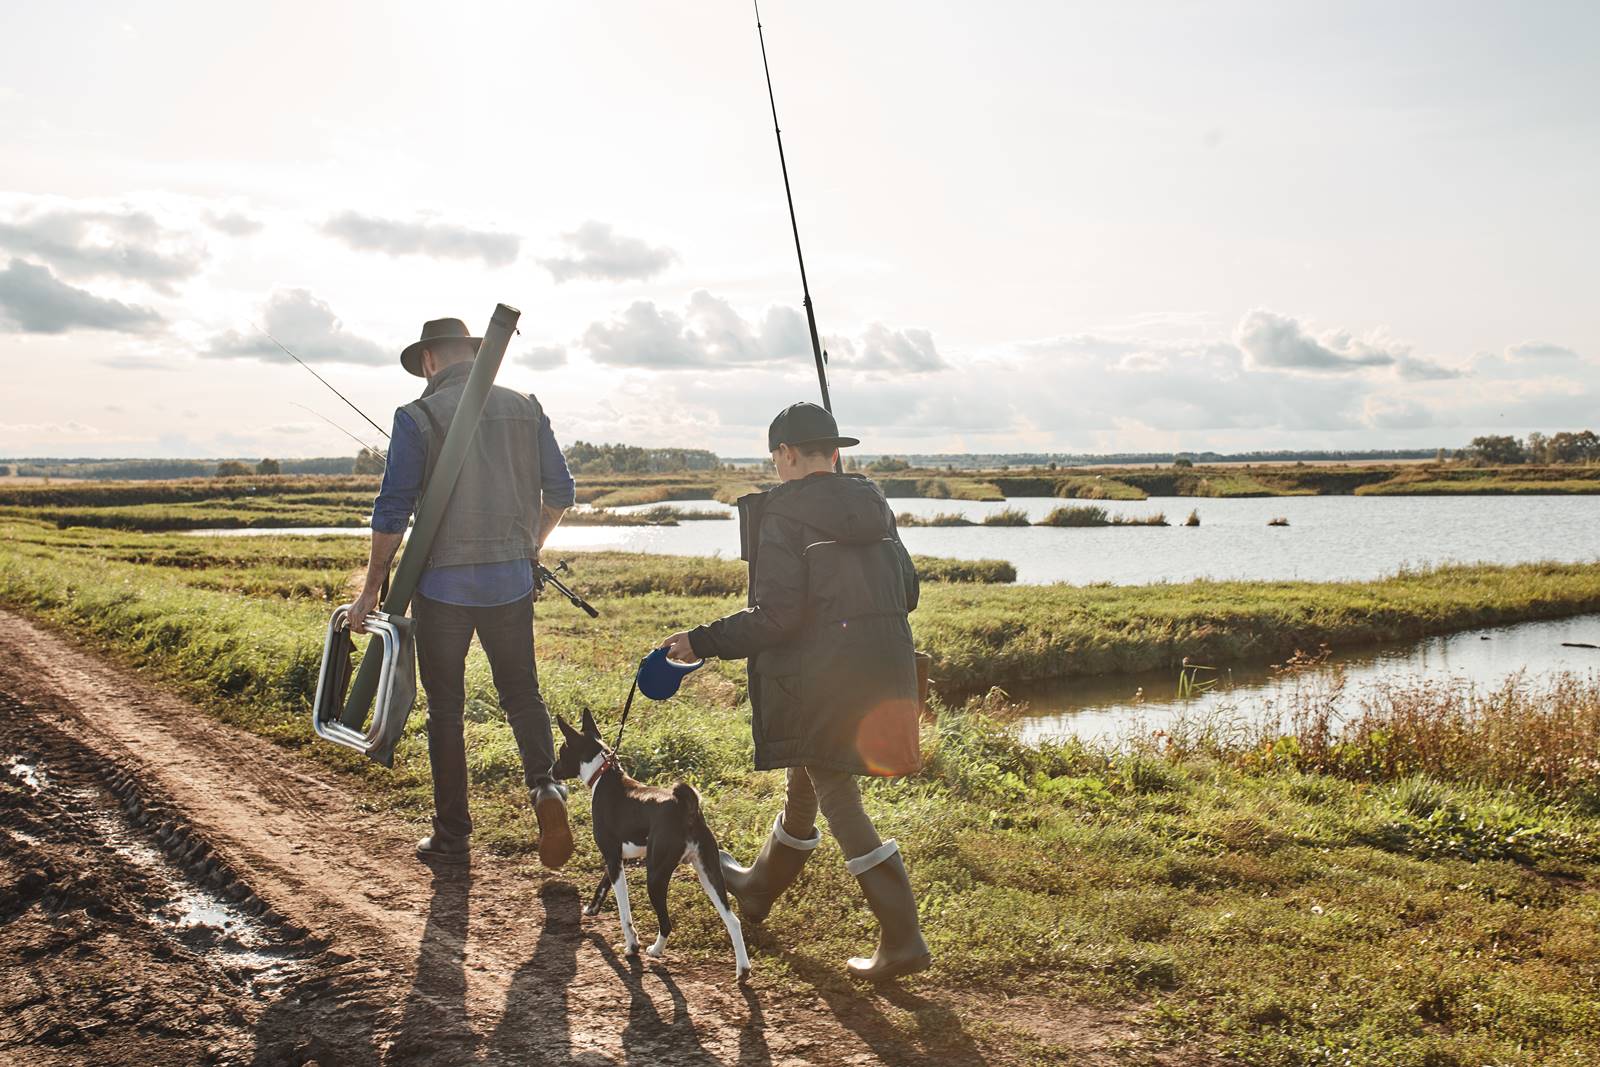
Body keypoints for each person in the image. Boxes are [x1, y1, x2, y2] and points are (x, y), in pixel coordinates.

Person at [659, 402, 931, 980]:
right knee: (806, 777)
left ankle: (903, 937)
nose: (776, 467)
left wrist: (701, 641)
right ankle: (758, 887)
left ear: (785, 455)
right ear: (833, 453)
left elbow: (776, 618)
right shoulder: (875, 504)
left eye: (775, 457)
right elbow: (907, 590)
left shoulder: (781, 515)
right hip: (883, 669)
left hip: (821, 677)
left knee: (837, 793)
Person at [350, 317, 575, 869]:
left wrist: (370, 590)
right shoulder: (527, 406)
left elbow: (392, 511)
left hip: (442, 588)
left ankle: (452, 835)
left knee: (446, 710)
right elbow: (562, 491)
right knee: (522, 694)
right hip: (511, 582)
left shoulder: (416, 416)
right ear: (473, 355)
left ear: (428, 360)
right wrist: (531, 545)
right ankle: (546, 789)